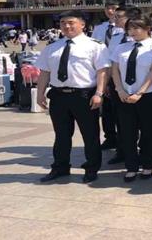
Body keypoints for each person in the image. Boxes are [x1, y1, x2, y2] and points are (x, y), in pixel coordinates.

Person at [35, 10, 111, 184]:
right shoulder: (52, 47)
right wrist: (40, 94)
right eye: (63, 23)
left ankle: (91, 168)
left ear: (82, 24)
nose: (67, 26)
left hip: (84, 96)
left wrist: (99, 93)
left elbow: (102, 71)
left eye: (71, 22)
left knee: (90, 135)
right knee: (61, 135)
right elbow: (44, 72)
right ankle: (60, 167)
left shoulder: (95, 46)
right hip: (59, 96)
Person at [110, 14, 152, 182]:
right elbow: (115, 70)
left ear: (147, 28)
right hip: (124, 95)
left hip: (147, 95)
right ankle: (131, 166)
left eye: (136, 28)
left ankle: (148, 164)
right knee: (127, 133)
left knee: (149, 132)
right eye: (129, 29)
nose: (132, 32)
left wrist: (140, 93)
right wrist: (120, 90)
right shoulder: (121, 48)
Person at [104, 5, 143, 166]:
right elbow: (111, 62)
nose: (115, 19)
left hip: (143, 86)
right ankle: (124, 151)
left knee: (145, 122)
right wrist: (108, 83)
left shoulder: (147, 38)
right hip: (119, 84)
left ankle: (147, 153)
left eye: (119, 16)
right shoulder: (116, 37)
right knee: (121, 121)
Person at [91, 0, 126, 152]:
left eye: (114, 8)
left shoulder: (125, 29)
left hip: (120, 73)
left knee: (120, 111)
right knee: (107, 109)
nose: (110, 11)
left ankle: (124, 141)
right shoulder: (100, 28)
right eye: (107, 8)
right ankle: (110, 137)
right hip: (103, 71)